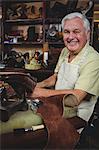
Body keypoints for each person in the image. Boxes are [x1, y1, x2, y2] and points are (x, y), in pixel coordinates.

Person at [29, 12, 99, 122]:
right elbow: (56, 77)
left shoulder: (93, 59)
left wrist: (39, 92)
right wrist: (34, 85)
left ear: (88, 34)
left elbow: (74, 99)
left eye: (76, 32)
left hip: (75, 118)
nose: (71, 37)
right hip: (57, 106)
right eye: (67, 32)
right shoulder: (65, 51)